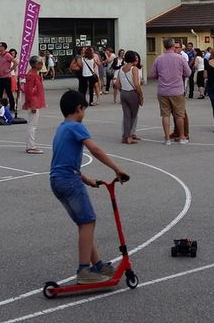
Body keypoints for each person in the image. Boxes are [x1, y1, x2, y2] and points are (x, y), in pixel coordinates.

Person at [49, 90, 130, 284]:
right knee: (88, 221)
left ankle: (98, 264)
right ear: (79, 108)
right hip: (68, 181)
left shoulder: (61, 128)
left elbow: (64, 162)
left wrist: (86, 179)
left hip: (58, 180)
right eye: (84, 109)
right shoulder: (77, 126)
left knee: (84, 223)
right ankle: (84, 270)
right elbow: (95, 149)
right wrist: (117, 169)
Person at [149, 38, 192, 145]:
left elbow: (153, 74)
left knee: (165, 115)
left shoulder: (159, 59)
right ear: (173, 46)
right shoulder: (180, 58)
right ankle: (182, 136)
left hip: (163, 90)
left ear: (164, 46)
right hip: (177, 90)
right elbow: (188, 73)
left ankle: (167, 138)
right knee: (179, 115)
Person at [117, 51, 144, 144]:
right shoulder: (134, 69)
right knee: (133, 115)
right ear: (133, 58)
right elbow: (136, 84)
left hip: (123, 93)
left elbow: (117, 83)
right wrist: (140, 94)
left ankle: (125, 136)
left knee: (126, 115)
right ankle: (129, 137)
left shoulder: (121, 68)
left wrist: (122, 90)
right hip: (132, 93)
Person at [22, 55, 46, 154]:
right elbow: (29, 91)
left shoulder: (35, 74)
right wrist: (32, 105)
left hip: (35, 101)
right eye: (40, 63)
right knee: (32, 125)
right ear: (36, 65)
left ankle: (31, 145)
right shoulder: (31, 75)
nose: (42, 64)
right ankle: (30, 146)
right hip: (33, 102)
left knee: (33, 124)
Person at [0, 42, 16, 112]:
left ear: (3, 47)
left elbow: (16, 62)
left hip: (7, 77)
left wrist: (10, 69)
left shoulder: (7, 55)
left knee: (9, 93)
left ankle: (12, 107)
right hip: (1, 77)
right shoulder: (0, 55)